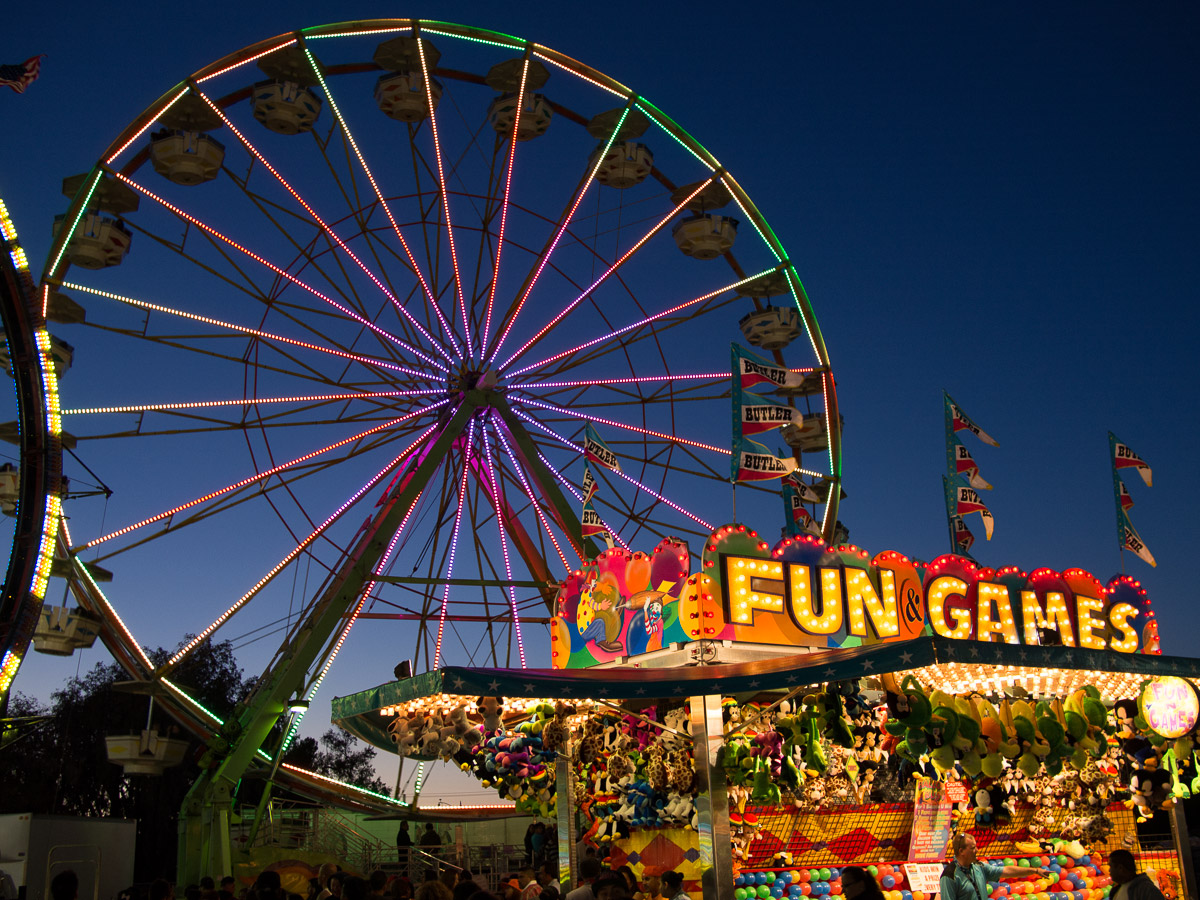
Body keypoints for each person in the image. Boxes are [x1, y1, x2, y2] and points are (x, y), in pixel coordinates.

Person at [940, 833, 1049, 900]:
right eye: (973, 848)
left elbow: (1007, 870)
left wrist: (1035, 870)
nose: (977, 850)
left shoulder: (978, 866)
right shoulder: (949, 876)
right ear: (961, 851)